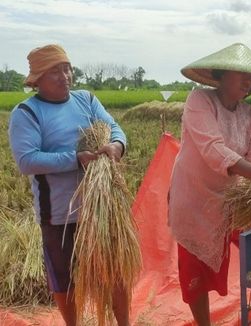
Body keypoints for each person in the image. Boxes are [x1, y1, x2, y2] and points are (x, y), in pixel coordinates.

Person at [168, 43, 251, 325]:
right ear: (221, 74)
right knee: (194, 266)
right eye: (241, 74)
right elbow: (214, 150)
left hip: (232, 199)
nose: (249, 82)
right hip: (193, 197)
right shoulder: (199, 101)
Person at [8, 44, 129, 326]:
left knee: (116, 272)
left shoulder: (85, 99)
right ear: (37, 79)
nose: (65, 76)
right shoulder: (27, 113)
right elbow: (27, 160)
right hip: (60, 213)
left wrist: (116, 145)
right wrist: (76, 159)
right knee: (65, 280)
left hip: (103, 209)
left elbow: (114, 128)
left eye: (67, 68)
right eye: (55, 71)